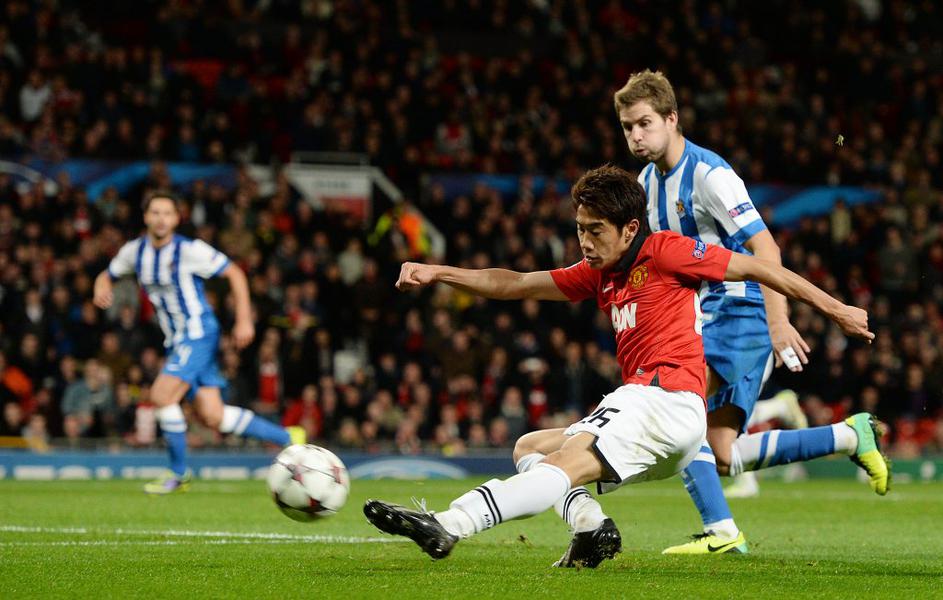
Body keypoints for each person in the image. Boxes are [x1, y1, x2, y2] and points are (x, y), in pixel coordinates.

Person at [362, 165, 886, 565]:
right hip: (666, 423)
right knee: (530, 448)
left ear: (630, 228)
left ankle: (451, 522)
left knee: (563, 463)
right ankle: (591, 528)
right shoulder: (599, 272)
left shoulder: (666, 251)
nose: (585, 242)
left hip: (663, 398)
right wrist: (439, 272)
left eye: (596, 231)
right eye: (580, 229)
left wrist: (836, 309)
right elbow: (515, 283)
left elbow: (760, 267)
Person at [596, 69, 883, 553]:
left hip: (740, 309)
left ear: (672, 118)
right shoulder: (645, 183)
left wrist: (778, 320)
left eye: (645, 123)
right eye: (628, 127)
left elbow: (764, 247)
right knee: (721, 452)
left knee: (678, 401)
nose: (636, 136)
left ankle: (722, 532)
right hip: (703, 314)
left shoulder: (709, 175)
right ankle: (849, 436)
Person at [93, 190, 304, 494]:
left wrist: (244, 319)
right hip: (176, 341)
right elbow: (107, 274)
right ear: (146, 217)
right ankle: (289, 437)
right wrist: (100, 287)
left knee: (161, 395)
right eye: (155, 212)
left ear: (177, 219)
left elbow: (235, 273)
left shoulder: (189, 250)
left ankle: (178, 474)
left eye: (167, 213)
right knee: (213, 416)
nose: (161, 219)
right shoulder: (134, 251)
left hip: (198, 333)